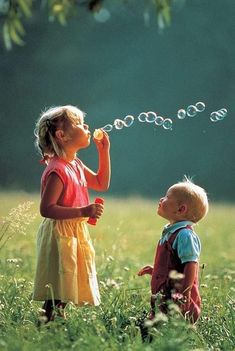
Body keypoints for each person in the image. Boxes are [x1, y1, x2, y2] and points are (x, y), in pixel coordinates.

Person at [33, 105, 111, 322]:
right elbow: (46, 209)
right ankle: (48, 322)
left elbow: (101, 183)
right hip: (60, 232)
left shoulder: (75, 163)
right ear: (62, 135)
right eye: (78, 123)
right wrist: (83, 210)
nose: (86, 126)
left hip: (74, 230)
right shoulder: (58, 170)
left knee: (67, 282)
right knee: (59, 286)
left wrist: (103, 151)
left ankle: (53, 321)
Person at [138, 177, 208, 324]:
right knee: (157, 322)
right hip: (165, 295)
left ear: (181, 209)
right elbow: (174, 263)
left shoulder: (184, 234)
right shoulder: (171, 232)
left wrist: (184, 293)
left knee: (172, 325)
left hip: (178, 299)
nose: (161, 199)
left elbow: (191, 266)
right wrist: (156, 270)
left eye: (167, 197)